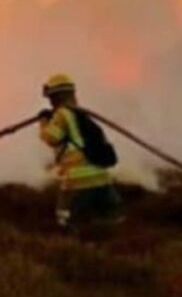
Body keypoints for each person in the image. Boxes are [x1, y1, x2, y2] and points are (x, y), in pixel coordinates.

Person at [38, 74, 122, 228]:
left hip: (77, 183)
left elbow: (51, 138)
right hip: (102, 179)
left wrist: (44, 122)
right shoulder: (81, 114)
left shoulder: (62, 114)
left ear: (57, 96)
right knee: (111, 222)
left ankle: (74, 249)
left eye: (51, 97)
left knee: (67, 222)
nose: (50, 101)